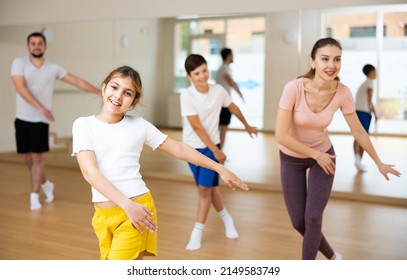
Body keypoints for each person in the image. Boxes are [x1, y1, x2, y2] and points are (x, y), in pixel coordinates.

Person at [71, 65, 249, 260]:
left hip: (136, 208)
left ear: (134, 101)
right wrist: (126, 205)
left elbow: (180, 149)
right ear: (104, 88)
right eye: (114, 87)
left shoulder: (138, 125)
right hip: (103, 216)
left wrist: (219, 168)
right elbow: (89, 172)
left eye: (127, 93)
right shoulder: (83, 125)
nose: (118, 96)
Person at [275, 37, 401, 260]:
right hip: (293, 158)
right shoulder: (293, 88)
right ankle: (333, 256)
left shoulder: (342, 92)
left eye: (337, 59)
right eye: (324, 59)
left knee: (313, 218)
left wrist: (378, 162)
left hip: (324, 156)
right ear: (313, 62)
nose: (331, 65)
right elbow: (281, 135)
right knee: (299, 222)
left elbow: (359, 131)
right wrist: (315, 154)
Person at [10, 31, 100, 211]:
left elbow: (77, 81)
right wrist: (41, 107)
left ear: (45, 46)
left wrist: (99, 92)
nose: (36, 46)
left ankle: (34, 195)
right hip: (22, 119)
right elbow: (20, 88)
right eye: (33, 43)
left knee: (37, 157)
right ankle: (46, 184)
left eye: (40, 43)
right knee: (26, 157)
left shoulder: (53, 68)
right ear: (29, 46)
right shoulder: (19, 63)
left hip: (40, 121)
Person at [181, 54, 258, 251]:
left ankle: (196, 232)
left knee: (205, 190)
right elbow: (196, 127)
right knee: (207, 188)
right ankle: (227, 219)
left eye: (204, 71)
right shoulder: (187, 96)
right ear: (189, 77)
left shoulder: (218, 90)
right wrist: (217, 150)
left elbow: (233, 107)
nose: (202, 76)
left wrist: (247, 125)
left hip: (210, 147)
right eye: (197, 73)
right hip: (190, 148)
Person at [215, 48, 245, 149]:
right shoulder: (224, 69)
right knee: (223, 127)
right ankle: (219, 151)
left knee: (221, 127)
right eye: (232, 54)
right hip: (223, 102)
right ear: (228, 56)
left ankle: (218, 151)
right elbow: (232, 83)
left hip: (221, 101)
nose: (233, 57)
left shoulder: (224, 68)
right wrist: (240, 94)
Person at [353, 64, 378, 172]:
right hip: (363, 112)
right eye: (375, 71)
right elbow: (370, 95)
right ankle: (358, 160)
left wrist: (375, 112)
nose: (376, 74)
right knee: (362, 137)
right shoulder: (369, 82)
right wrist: (370, 110)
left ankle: (358, 161)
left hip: (360, 111)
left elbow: (370, 99)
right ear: (372, 71)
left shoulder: (365, 83)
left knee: (361, 137)